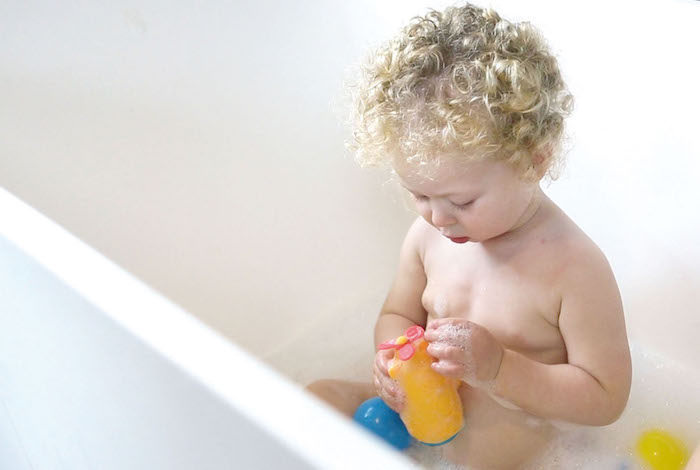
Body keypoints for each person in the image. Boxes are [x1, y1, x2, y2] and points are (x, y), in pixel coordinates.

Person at [307, 3, 632, 468]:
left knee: (481, 454)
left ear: (534, 161)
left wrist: (500, 369)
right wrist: (391, 359)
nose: (438, 218)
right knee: (316, 399)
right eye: (418, 194)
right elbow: (398, 311)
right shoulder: (428, 235)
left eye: (461, 202)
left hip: (514, 426)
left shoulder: (573, 267)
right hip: (422, 411)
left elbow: (605, 398)